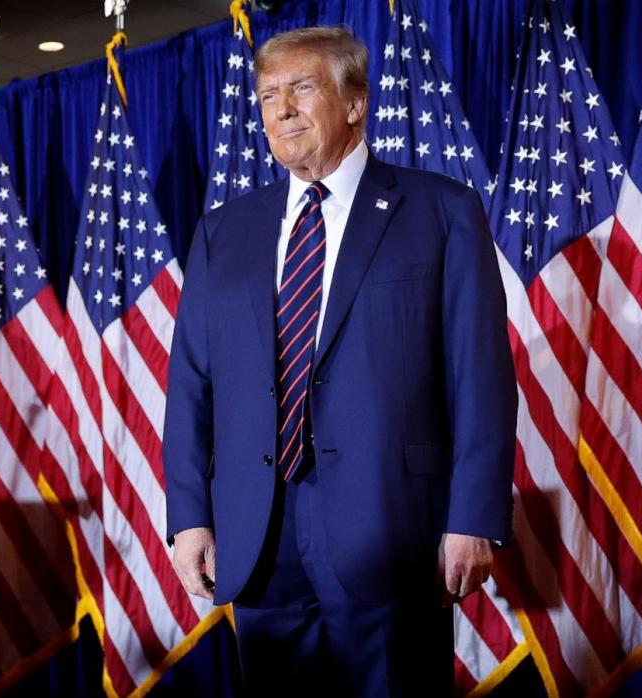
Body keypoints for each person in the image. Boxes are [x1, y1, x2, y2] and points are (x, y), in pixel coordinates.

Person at [164, 26, 518, 695]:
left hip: (391, 527)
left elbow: (481, 380)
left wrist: (473, 516)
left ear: (356, 104)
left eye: (302, 88)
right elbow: (191, 386)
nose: (281, 109)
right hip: (258, 535)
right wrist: (190, 516)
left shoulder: (441, 211)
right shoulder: (223, 230)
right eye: (268, 95)